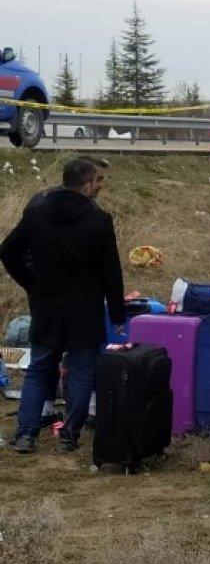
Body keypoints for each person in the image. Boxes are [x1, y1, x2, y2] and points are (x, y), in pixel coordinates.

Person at [0, 158, 125, 453]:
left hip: (46, 306)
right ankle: (69, 436)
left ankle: (26, 434)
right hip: (85, 310)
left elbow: (8, 251)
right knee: (82, 371)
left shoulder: (37, 213)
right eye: (97, 181)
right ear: (86, 184)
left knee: (39, 368)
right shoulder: (99, 220)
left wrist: (32, 282)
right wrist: (118, 312)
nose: (99, 186)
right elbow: (111, 271)